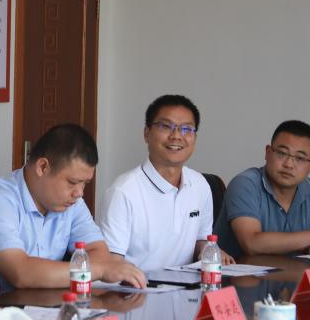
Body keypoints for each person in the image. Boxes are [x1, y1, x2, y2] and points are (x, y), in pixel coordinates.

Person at [0, 123, 146, 290]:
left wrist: (91, 269)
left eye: (85, 183)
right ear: (42, 167)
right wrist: (99, 271)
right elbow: (20, 272)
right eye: (73, 182)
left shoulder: (72, 202)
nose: (79, 192)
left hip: (47, 304)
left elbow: (98, 253)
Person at [100, 94, 233, 271]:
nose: (176, 136)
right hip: (138, 286)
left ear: (195, 137)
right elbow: (111, 263)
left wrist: (210, 251)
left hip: (186, 285)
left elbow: (201, 240)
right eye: (165, 126)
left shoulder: (200, 185)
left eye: (186, 129)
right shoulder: (123, 191)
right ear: (147, 133)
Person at [215, 120, 310, 258]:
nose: (289, 164)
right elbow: (251, 243)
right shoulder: (245, 184)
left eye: (300, 158)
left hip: (290, 277)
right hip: (233, 280)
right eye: (282, 153)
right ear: (268, 153)